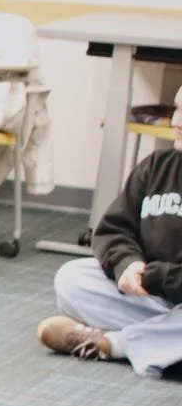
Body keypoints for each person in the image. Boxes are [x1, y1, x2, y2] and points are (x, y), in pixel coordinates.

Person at [39, 88, 182, 376]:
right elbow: (115, 229)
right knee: (71, 279)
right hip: (151, 296)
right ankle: (163, 340)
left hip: (165, 284)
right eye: (178, 109)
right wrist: (127, 265)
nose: (177, 121)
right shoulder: (157, 166)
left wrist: (154, 276)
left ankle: (112, 343)